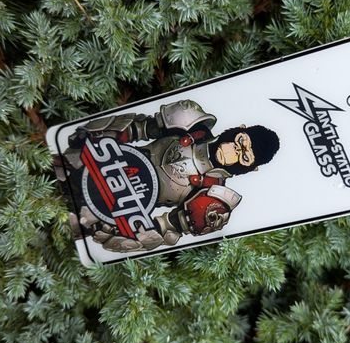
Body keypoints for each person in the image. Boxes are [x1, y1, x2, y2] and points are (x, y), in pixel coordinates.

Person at [55, 99, 280, 253]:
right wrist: (102, 134)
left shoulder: (215, 199)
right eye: (241, 142)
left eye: (244, 157)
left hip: (115, 206)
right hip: (104, 160)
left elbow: (164, 230)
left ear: (251, 168)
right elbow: (138, 128)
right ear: (240, 128)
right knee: (55, 166)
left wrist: (116, 229)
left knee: (61, 226)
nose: (233, 152)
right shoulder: (192, 121)